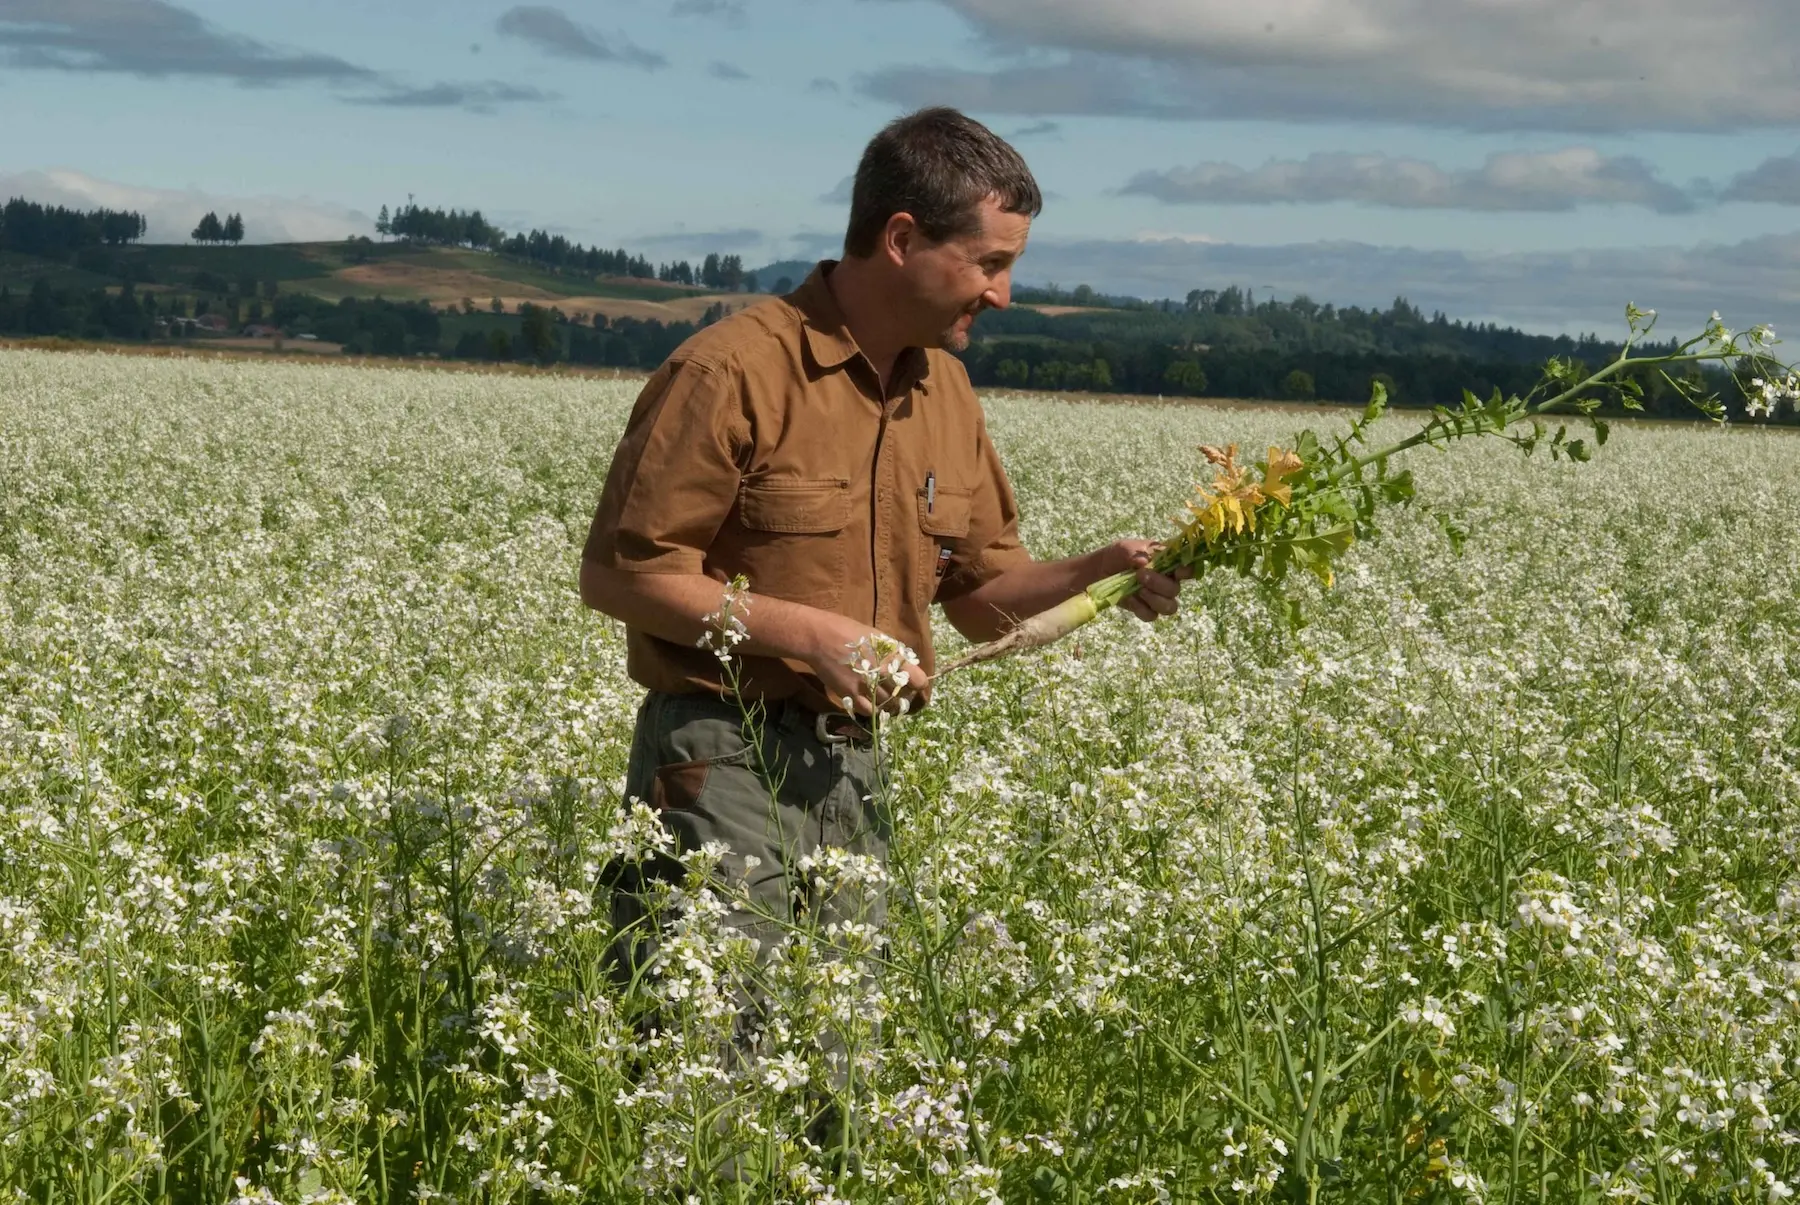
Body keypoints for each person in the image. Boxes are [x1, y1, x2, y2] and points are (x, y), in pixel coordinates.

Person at [577, 105, 1185, 1157]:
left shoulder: (943, 390)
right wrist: (805, 633)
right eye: (988, 262)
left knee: (840, 1093)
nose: (1004, 291)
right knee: (705, 1080)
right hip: (720, 760)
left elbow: (981, 591)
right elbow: (624, 573)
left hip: (855, 779)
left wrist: (1098, 573)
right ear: (902, 239)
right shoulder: (732, 371)